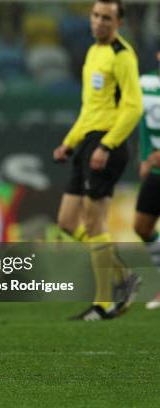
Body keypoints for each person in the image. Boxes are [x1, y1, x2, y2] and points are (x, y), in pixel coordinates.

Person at [52, 0, 144, 321]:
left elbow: (133, 107)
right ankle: (123, 276)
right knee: (66, 221)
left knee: (94, 222)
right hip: (88, 142)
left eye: (107, 17)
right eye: (95, 16)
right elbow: (88, 110)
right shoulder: (93, 53)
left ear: (119, 22)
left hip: (108, 144)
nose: (99, 22)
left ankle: (104, 303)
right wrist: (69, 143)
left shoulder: (122, 56)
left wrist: (107, 145)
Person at [133, 50, 160, 310]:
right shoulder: (146, 83)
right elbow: (141, 121)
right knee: (142, 226)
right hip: (155, 170)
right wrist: (145, 157)